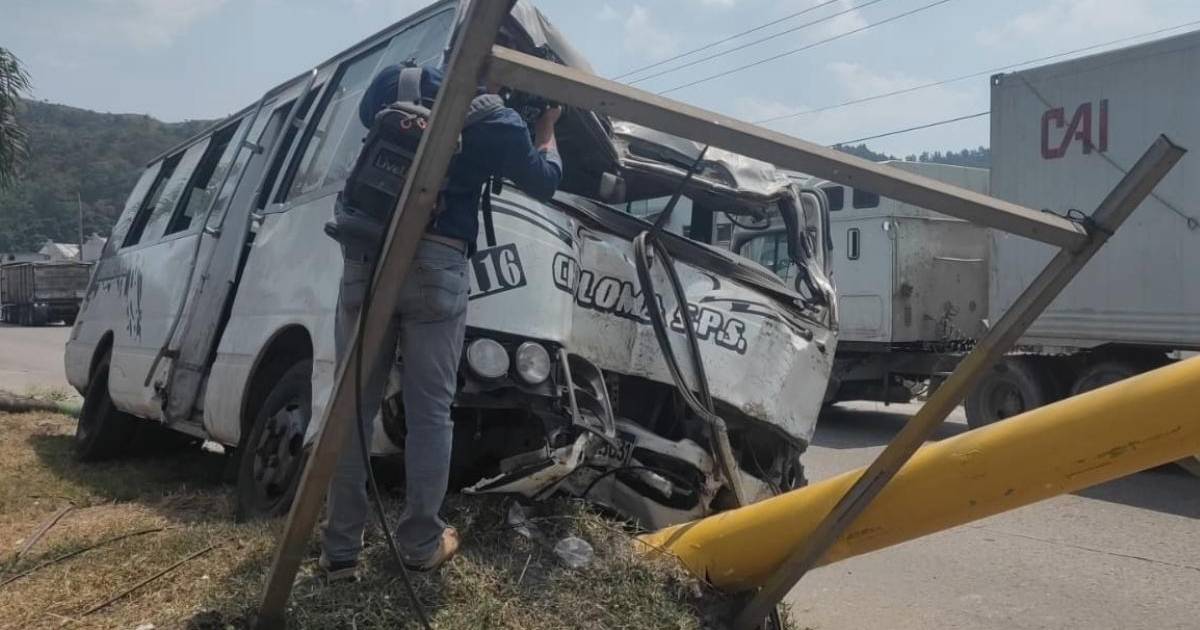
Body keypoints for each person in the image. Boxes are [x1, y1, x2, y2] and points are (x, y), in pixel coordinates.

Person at [320, 64, 563, 580]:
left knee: (352, 405)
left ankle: (340, 549)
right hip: (437, 264)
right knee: (429, 411)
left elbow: (367, 120)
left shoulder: (399, 81)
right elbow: (544, 182)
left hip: (367, 253)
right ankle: (419, 545)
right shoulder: (500, 122)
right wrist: (546, 129)